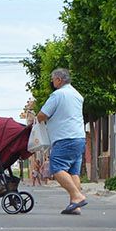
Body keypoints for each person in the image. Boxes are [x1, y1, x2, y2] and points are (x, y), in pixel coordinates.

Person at [36, 68, 88, 214]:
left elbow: (42, 115)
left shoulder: (58, 95)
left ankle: (77, 196)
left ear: (59, 80)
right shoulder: (77, 95)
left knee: (57, 167)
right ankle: (75, 205)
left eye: (53, 80)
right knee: (73, 172)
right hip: (79, 137)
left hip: (64, 137)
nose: (52, 82)